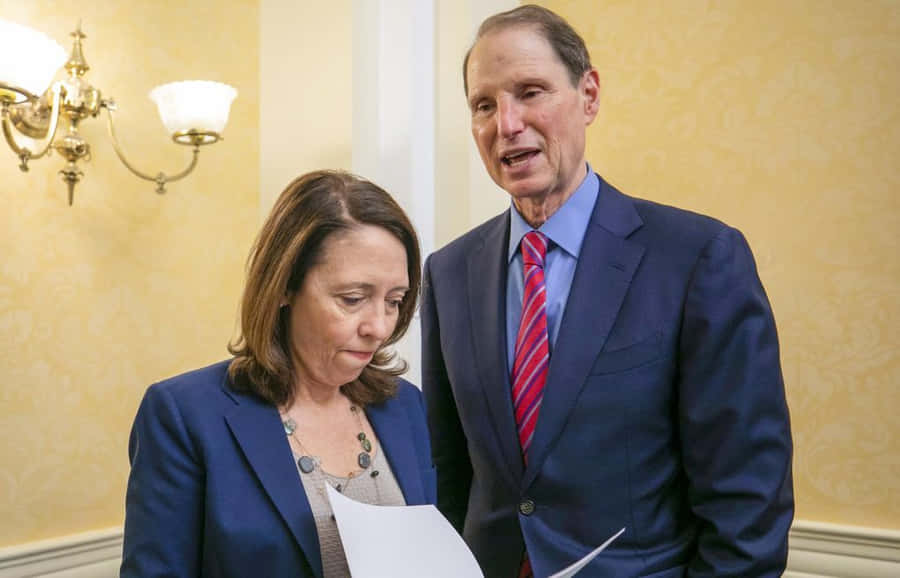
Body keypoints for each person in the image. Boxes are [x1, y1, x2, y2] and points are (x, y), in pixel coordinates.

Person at [421, 5, 793, 577]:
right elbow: (448, 474)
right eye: (484, 104)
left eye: (530, 92)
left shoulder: (698, 259)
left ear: (588, 95)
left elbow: (747, 501)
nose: (507, 123)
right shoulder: (447, 272)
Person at [121, 170, 434, 578]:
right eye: (353, 299)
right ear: (285, 286)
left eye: (394, 300)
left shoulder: (403, 404)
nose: (379, 326)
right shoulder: (185, 415)